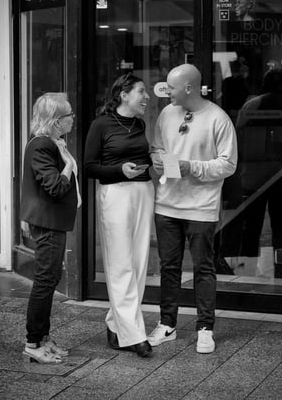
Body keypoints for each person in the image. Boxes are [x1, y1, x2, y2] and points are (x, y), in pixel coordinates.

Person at [148, 64, 237, 353]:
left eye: (171, 87)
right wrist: (159, 160)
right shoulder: (166, 114)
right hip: (166, 204)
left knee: (203, 269)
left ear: (188, 88)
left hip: (201, 207)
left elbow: (228, 164)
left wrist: (192, 167)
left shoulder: (218, 118)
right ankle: (167, 324)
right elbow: (157, 147)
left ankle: (205, 328)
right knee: (168, 267)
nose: (166, 92)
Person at [84, 73, 154, 358]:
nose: (147, 96)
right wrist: (119, 170)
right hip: (115, 195)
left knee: (138, 263)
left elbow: (143, 158)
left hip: (143, 192)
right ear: (124, 95)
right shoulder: (100, 125)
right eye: (141, 91)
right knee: (120, 263)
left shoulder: (140, 123)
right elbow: (90, 167)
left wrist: (153, 164)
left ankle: (116, 324)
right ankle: (134, 334)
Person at [21, 92, 81, 364]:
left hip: (52, 222)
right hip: (48, 223)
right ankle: (33, 342)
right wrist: (68, 165)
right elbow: (55, 186)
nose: (73, 119)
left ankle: (43, 338)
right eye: (69, 115)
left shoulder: (52, 142)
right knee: (45, 282)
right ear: (57, 120)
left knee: (50, 279)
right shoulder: (43, 145)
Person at [236, 67, 282, 278]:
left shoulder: (253, 104)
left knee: (250, 228)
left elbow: (238, 136)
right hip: (278, 175)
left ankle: (247, 271)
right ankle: (279, 268)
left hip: (253, 175)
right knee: (280, 227)